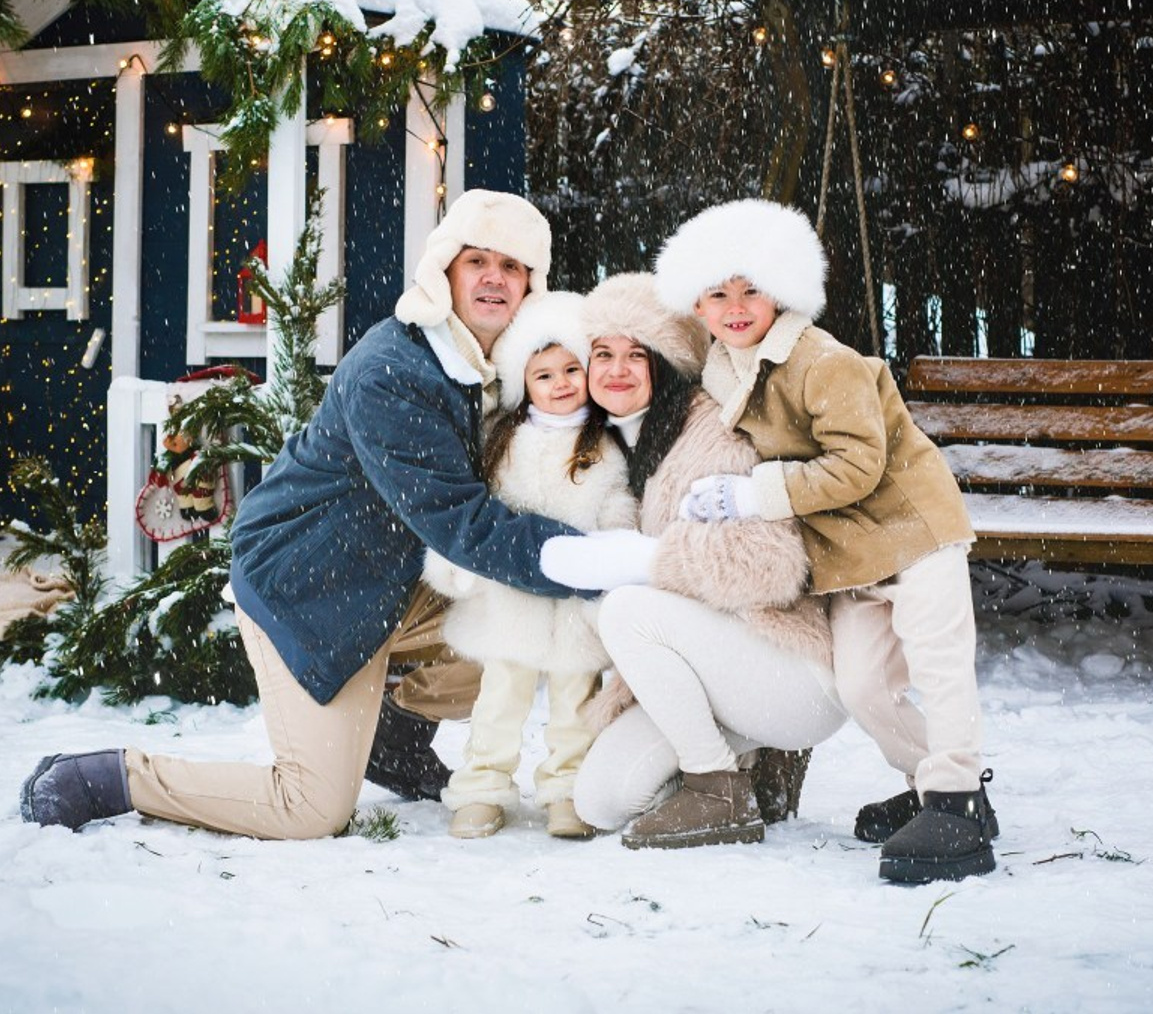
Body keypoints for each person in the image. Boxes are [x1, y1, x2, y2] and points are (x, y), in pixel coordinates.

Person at [20, 190, 640, 839]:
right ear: (444, 270)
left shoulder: (501, 369)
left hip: (391, 583)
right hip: (309, 586)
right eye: (476, 259)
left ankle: (393, 739)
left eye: (511, 266)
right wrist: (593, 558)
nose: (493, 277)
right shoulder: (395, 372)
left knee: (508, 629)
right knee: (311, 809)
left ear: (530, 284)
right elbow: (460, 523)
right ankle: (109, 777)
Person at [650, 197, 998, 884]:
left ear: (782, 289)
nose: (737, 305)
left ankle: (955, 797)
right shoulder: (724, 370)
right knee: (863, 684)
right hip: (850, 558)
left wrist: (753, 495)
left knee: (938, 664)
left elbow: (858, 465)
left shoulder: (822, 360)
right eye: (718, 293)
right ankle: (939, 790)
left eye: (752, 288)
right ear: (698, 304)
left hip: (914, 530)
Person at [540, 273, 847, 850]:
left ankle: (717, 787)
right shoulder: (605, 447)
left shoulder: (709, 432)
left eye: (638, 355)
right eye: (602, 353)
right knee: (602, 800)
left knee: (629, 607)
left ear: (667, 363)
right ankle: (750, 761)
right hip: (715, 676)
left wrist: (649, 558)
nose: (617, 369)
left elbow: (773, 563)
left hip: (787, 667)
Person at [427, 291, 636, 841]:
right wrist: (462, 568)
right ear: (526, 384)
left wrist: (613, 548)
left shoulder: (606, 444)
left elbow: (617, 501)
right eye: (545, 375)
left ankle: (567, 789)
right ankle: (482, 787)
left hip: (574, 606)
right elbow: (481, 512)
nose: (562, 382)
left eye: (572, 369)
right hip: (511, 601)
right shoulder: (504, 440)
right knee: (499, 701)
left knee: (576, 707)